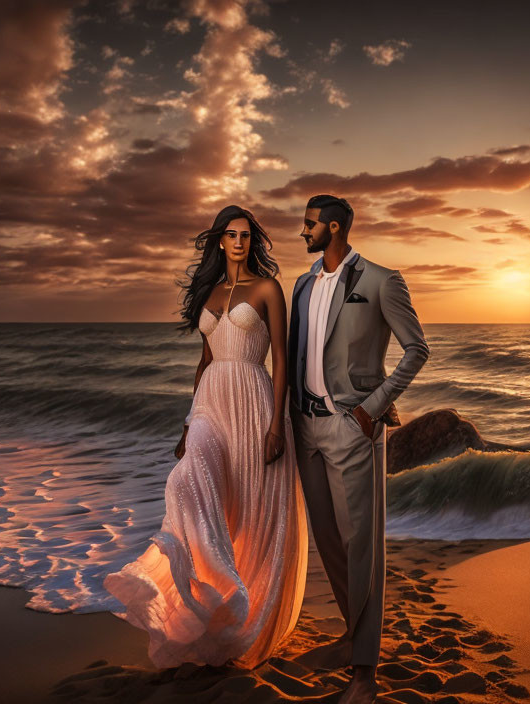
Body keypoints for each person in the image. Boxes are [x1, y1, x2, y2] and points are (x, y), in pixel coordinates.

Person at [103, 205, 308, 670]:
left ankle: (239, 611)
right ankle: (212, 591)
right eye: (231, 235)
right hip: (211, 405)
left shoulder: (268, 289)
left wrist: (277, 424)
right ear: (219, 241)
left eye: (246, 235)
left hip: (254, 403)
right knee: (186, 480)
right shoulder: (210, 292)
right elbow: (205, 361)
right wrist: (187, 423)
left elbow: (282, 362)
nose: (240, 241)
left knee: (250, 508)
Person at [288, 194, 430, 703]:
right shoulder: (302, 284)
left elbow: (418, 349)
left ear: (333, 227)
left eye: (309, 225)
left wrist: (374, 407)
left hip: (353, 428)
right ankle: (354, 637)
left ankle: (365, 672)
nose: (303, 232)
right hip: (304, 429)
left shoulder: (380, 280)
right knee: (327, 541)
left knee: (362, 548)